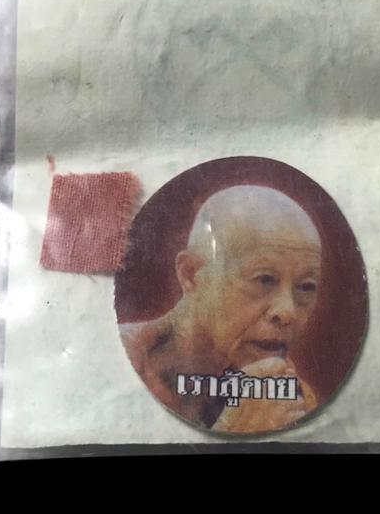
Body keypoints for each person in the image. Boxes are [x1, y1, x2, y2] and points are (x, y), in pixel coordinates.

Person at [119, 185, 322, 433]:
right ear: (191, 275)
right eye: (264, 279)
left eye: (306, 287)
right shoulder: (114, 358)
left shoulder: (287, 398)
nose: (288, 312)